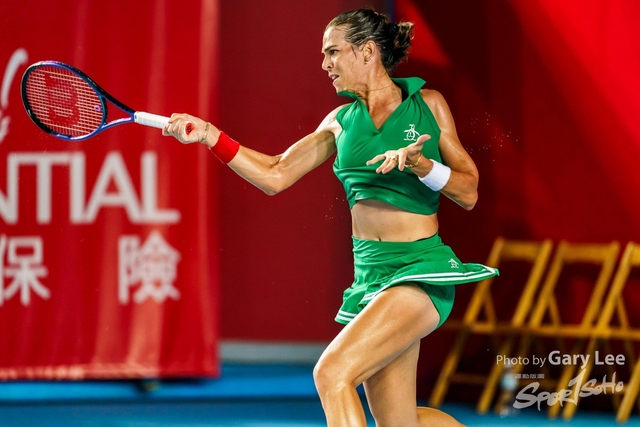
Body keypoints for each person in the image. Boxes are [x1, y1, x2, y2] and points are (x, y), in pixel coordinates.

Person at [163, 8, 498, 427]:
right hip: (370, 277)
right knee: (399, 424)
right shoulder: (340, 122)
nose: (324, 64)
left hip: (419, 272)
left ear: (367, 52)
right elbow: (275, 174)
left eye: (333, 52)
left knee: (331, 374)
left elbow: (468, 192)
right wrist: (211, 136)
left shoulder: (428, 105)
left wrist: (423, 166)